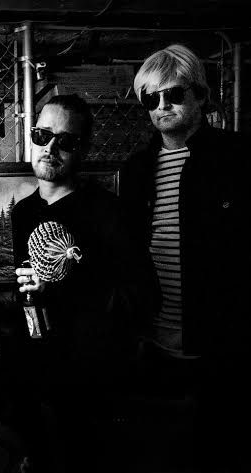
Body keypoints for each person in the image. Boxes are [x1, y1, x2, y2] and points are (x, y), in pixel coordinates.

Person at [121, 44, 251, 472]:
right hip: (158, 346)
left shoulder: (238, 158)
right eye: (151, 98)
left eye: (174, 94)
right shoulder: (137, 169)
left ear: (201, 95)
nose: (162, 106)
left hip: (223, 349)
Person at [12, 94, 156, 472]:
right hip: (36, 377)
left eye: (66, 141)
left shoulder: (109, 213)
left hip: (92, 385)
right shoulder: (22, 212)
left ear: (84, 149)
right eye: (42, 135)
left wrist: (64, 286)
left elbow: (144, 297)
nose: (50, 148)